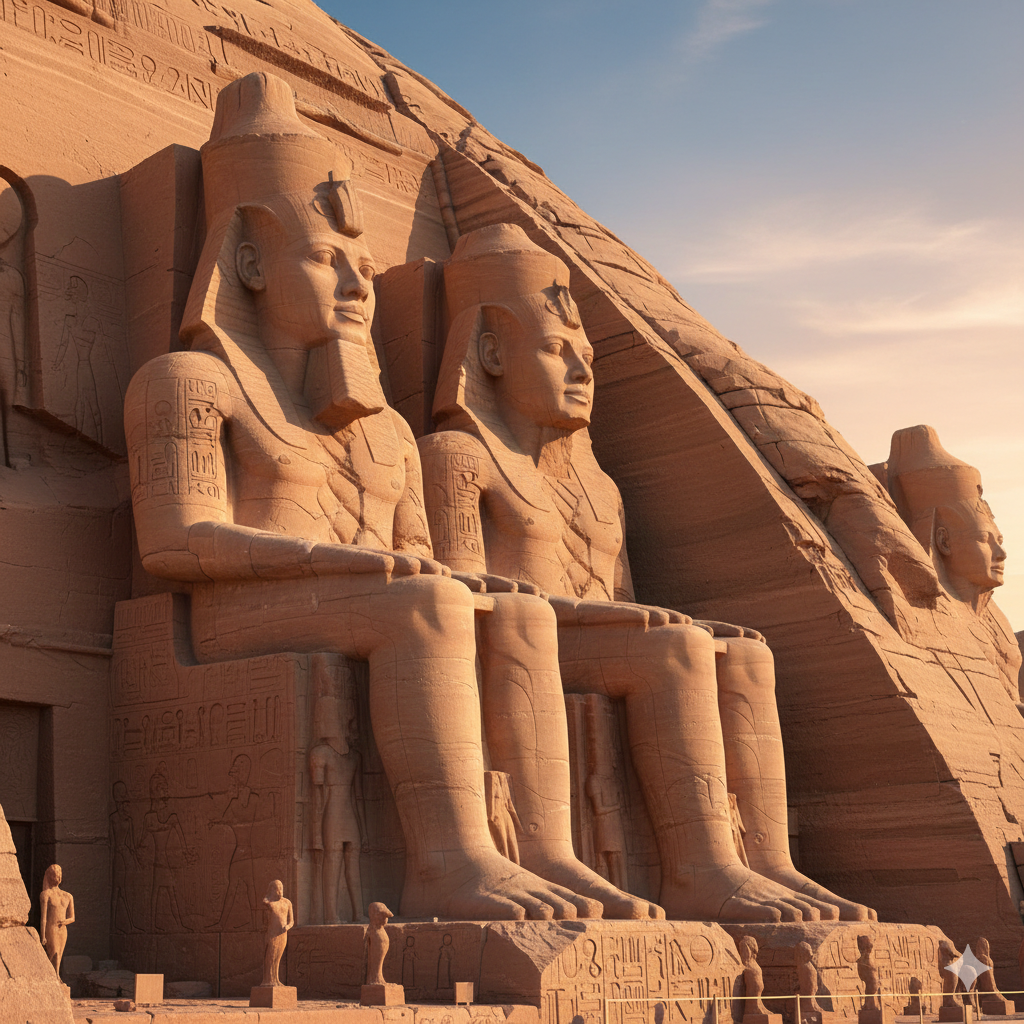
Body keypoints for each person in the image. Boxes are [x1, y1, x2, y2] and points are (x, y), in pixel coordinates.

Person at [124, 71, 619, 922]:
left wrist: (422, 576)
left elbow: (424, 555)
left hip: (352, 594)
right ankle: (448, 861)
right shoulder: (191, 381)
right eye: (327, 261)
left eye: (365, 268)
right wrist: (337, 557)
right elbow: (174, 539)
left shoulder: (386, 431)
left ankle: (541, 852)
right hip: (231, 610)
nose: (360, 288)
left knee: (517, 613)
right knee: (423, 604)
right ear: (247, 259)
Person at [419, 223, 875, 923]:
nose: (581, 371)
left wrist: (626, 618)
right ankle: (700, 871)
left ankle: (768, 861)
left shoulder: (603, 489)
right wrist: (615, 620)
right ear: (490, 353)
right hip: (516, 649)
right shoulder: (459, 454)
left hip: (592, 645)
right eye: (555, 350)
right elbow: (466, 591)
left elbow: (625, 600)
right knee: (674, 645)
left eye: (588, 357)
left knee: (745, 652)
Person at [887, 425, 1021, 701]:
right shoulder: (919, 616)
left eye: (1000, 539)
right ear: (943, 541)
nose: (1001, 553)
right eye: (985, 540)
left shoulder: (1001, 631)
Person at [39, 863, 74, 977]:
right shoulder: (45, 894)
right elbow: (43, 918)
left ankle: (56, 976)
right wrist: (43, 935)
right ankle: (55, 977)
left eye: (59, 874)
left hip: (62, 929)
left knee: (59, 953)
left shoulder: (68, 896)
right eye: (55, 875)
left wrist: (65, 922)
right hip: (51, 927)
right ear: (50, 877)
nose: (58, 877)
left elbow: (72, 917)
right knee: (54, 953)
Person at [260, 880, 294, 987]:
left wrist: (287, 927)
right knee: (270, 955)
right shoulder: (269, 903)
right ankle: (268, 980)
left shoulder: (287, 903)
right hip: (272, 933)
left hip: (282, 933)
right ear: (272, 890)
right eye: (277, 888)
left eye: (281, 888)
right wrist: (268, 900)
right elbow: (264, 916)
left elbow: (291, 920)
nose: (280, 891)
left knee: (278, 957)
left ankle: (276, 979)